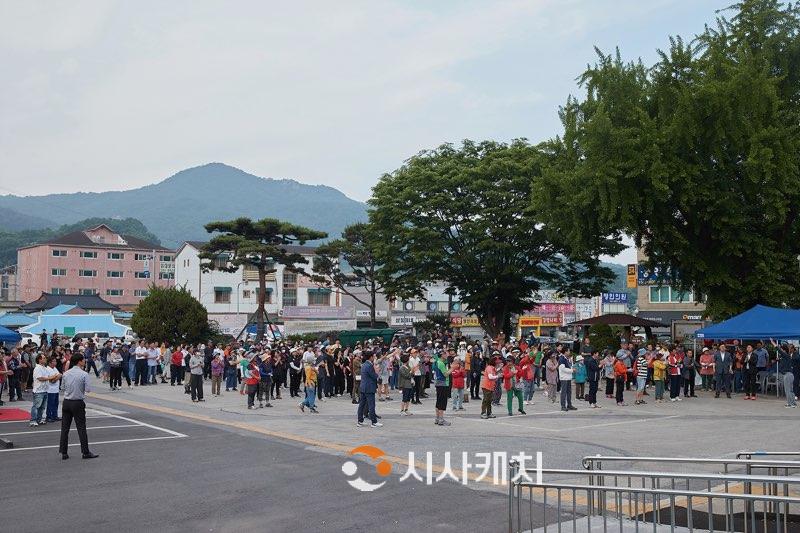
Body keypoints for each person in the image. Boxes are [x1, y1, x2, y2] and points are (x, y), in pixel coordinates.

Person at [58, 354, 99, 460]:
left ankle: (64, 452)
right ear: (79, 361)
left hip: (66, 402)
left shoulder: (66, 374)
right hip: (78, 402)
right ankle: (85, 452)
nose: (84, 361)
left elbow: (62, 387)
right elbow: (88, 389)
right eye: (83, 360)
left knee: (65, 428)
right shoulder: (84, 374)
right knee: (81, 428)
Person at [357, 351, 382, 427]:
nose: (374, 358)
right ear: (370, 357)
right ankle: (374, 422)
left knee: (362, 404)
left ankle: (360, 421)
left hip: (363, 387)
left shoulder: (364, 364)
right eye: (373, 356)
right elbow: (374, 376)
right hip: (369, 387)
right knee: (371, 405)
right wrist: (377, 371)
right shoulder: (369, 365)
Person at [772, 339, 797, 408]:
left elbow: (779, 350)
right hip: (788, 375)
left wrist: (773, 343)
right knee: (790, 390)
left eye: (782, 350)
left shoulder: (786, 355)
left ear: (784, 350)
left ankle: (790, 404)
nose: (781, 352)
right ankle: (792, 403)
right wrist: (777, 360)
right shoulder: (784, 357)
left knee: (788, 390)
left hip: (788, 375)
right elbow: (780, 360)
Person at [29, 354, 50, 427]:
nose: (45, 359)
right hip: (38, 390)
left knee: (42, 407)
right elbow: (40, 378)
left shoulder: (45, 368)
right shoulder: (37, 368)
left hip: (44, 389)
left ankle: (39, 419)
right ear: (39, 360)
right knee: (36, 406)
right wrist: (50, 378)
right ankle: (33, 420)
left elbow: (47, 377)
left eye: (45, 358)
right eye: (44, 358)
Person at [432, 350, 451, 426]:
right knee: (442, 403)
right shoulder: (441, 363)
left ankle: (437, 418)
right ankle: (441, 419)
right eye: (445, 354)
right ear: (442, 355)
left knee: (438, 402)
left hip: (438, 384)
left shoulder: (437, 362)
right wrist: (452, 368)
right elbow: (445, 374)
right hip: (443, 384)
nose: (446, 355)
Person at [480, 354, 499, 419]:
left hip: (490, 386)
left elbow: (494, 376)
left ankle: (489, 413)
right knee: (486, 400)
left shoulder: (493, 368)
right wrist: (498, 376)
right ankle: (483, 413)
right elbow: (490, 377)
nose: (498, 363)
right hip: (486, 386)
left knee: (489, 400)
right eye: (497, 362)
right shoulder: (489, 368)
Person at [44, 357, 62, 423]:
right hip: (50, 390)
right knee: (50, 404)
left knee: (55, 403)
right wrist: (58, 377)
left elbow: (58, 375)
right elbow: (52, 380)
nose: (55, 362)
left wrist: (57, 376)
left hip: (56, 389)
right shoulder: (47, 369)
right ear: (50, 362)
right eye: (54, 361)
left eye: (55, 361)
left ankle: (55, 415)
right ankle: (48, 416)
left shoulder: (55, 368)